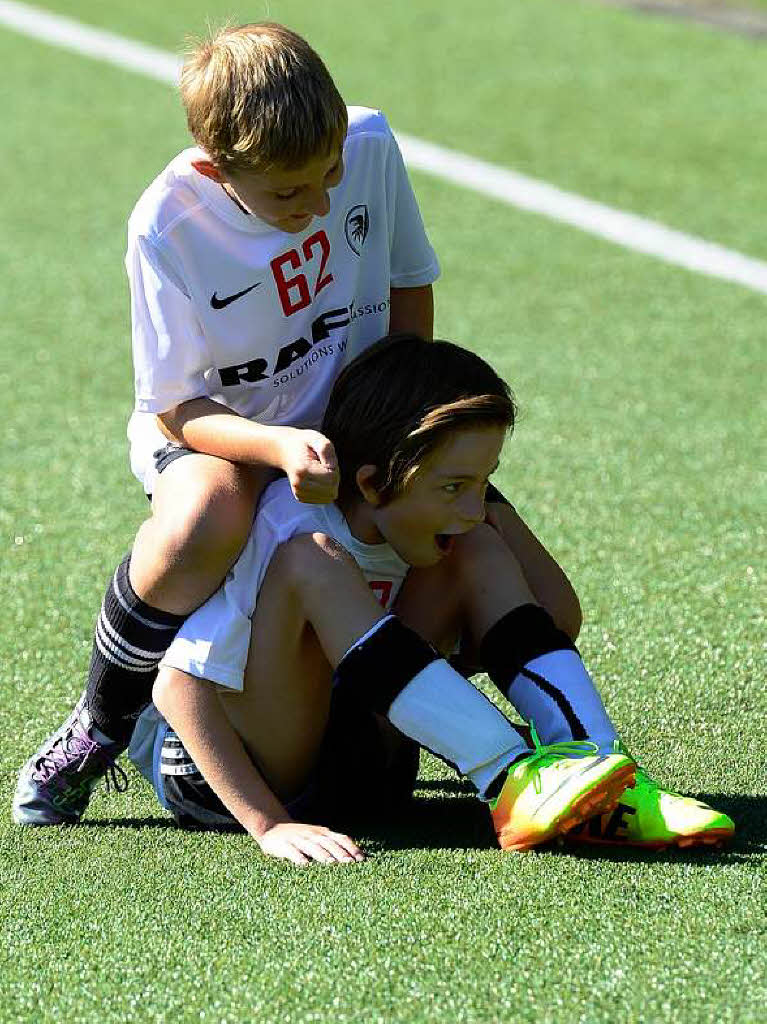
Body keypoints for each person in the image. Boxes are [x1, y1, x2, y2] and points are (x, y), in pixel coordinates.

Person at [13, 22, 579, 827]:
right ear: (216, 171)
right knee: (215, 512)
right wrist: (279, 448)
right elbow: (176, 405)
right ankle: (102, 723)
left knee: (539, 597)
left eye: (330, 175)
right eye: (287, 193)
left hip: (353, 426)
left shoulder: (370, 144)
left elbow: (407, 285)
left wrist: (399, 430)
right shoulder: (165, 226)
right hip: (223, 430)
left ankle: (475, 732)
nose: (318, 205)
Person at [127, 336, 734, 862]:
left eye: (484, 482)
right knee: (313, 564)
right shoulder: (289, 522)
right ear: (371, 482)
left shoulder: (439, 522)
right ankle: (509, 777)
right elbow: (175, 688)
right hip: (231, 773)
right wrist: (268, 824)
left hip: (363, 764)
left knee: (476, 549)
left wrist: (488, 519)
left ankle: (607, 780)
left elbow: (555, 615)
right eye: (455, 486)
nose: (474, 507)